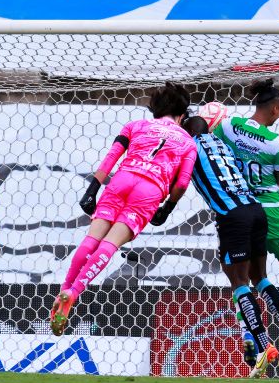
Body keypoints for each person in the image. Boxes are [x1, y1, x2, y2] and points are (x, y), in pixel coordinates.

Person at [50, 82, 197, 336]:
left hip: (122, 179)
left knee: (91, 239)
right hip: (150, 189)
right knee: (110, 244)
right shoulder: (187, 142)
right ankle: (74, 294)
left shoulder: (136, 126)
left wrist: (92, 189)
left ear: (155, 110)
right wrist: (168, 208)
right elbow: (182, 183)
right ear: (182, 115)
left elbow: (112, 156)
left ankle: (65, 288)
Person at [161, 116, 279, 377]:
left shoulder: (189, 148)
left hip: (232, 217)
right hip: (256, 210)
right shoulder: (221, 144)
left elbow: (179, 183)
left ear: (189, 133)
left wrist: (163, 209)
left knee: (239, 283)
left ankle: (263, 347)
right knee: (260, 278)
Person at [213, 79, 279, 358]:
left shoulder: (229, 126)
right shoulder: (275, 143)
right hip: (269, 206)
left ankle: (249, 332)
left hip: (237, 206)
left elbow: (215, 152)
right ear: (277, 109)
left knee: (243, 276)